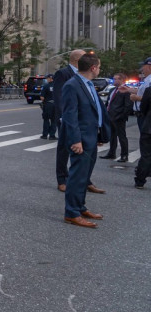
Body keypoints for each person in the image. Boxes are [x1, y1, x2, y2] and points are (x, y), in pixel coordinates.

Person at [61, 52, 109, 228]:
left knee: (84, 176)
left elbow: (93, 111)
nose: (99, 70)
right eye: (99, 67)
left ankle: (80, 207)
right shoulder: (72, 85)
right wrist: (76, 140)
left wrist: (98, 134)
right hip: (80, 139)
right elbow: (69, 116)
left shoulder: (87, 84)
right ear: (93, 68)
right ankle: (71, 213)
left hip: (90, 137)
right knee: (77, 177)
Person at [52, 49, 103, 194]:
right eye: (85, 57)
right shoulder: (63, 74)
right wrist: (64, 119)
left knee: (88, 154)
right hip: (67, 120)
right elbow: (59, 98)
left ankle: (86, 181)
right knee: (63, 150)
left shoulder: (88, 78)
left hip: (84, 122)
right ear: (77, 60)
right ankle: (62, 180)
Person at [101, 73, 131, 162]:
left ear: (122, 80)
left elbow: (128, 105)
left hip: (119, 118)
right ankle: (111, 153)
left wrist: (122, 116)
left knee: (122, 137)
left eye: (116, 79)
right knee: (112, 136)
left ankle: (124, 155)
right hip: (110, 117)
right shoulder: (113, 90)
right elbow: (109, 102)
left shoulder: (126, 90)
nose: (114, 80)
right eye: (114, 79)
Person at [125, 57, 151, 131]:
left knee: (146, 139)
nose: (142, 69)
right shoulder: (147, 80)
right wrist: (128, 90)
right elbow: (144, 92)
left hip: (145, 115)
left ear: (149, 67)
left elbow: (149, 98)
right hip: (142, 115)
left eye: (143, 66)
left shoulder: (150, 80)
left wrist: (136, 98)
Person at [134, 78, 151, 189]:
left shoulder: (149, 90)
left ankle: (140, 180)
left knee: (146, 155)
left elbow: (143, 107)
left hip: (148, 127)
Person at [39, 74, 56, 140]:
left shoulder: (46, 86)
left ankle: (45, 135)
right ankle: (52, 135)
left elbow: (42, 97)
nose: (46, 79)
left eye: (47, 78)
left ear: (50, 78)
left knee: (46, 120)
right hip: (55, 105)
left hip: (48, 104)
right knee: (54, 120)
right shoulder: (58, 86)